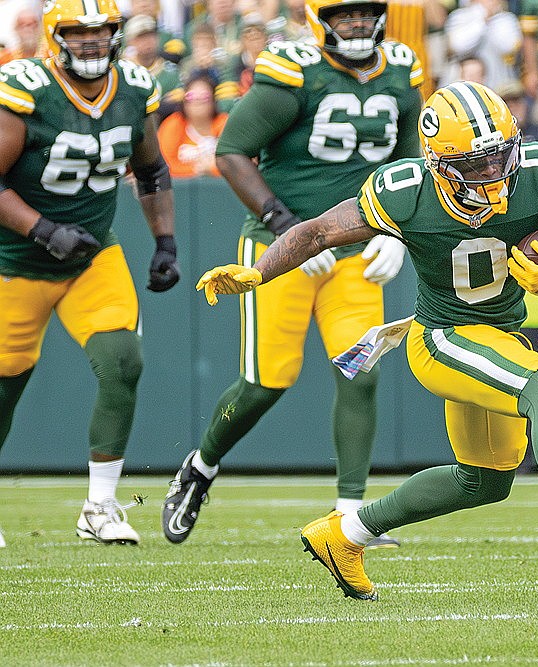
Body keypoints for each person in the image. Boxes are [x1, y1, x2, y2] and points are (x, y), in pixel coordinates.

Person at [194, 80, 538, 600]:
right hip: (443, 337)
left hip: (499, 335)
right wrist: (260, 273)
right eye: (476, 163)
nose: (494, 172)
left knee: (484, 480)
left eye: (500, 155)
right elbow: (318, 232)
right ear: (439, 163)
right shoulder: (407, 191)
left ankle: (343, 534)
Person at [161, 0, 422, 548]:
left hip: (355, 247)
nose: (355, 24)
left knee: (362, 372)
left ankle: (351, 518)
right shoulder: (294, 69)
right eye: (344, 15)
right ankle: (200, 468)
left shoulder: (400, 68)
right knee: (266, 381)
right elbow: (233, 152)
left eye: (364, 13)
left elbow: (407, 164)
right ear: (320, 20)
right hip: (277, 249)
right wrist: (291, 228)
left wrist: (396, 233)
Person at [0, 0, 179, 546]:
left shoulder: (131, 87)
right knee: (6, 384)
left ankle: (100, 506)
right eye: (78, 34)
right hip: (15, 263)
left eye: (101, 32)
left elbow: (150, 168)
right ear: (56, 39)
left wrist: (165, 241)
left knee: (123, 360)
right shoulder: (26, 89)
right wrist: (43, 230)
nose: (92, 43)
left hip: (92, 256)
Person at [157, 73, 228, 178]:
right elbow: (165, 165)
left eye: (204, 96)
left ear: (213, 101)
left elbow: (233, 164)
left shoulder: (224, 123)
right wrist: (199, 169)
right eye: (191, 96)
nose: (197, 100)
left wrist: (212, 169)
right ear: (184, 101)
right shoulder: (173, 124)